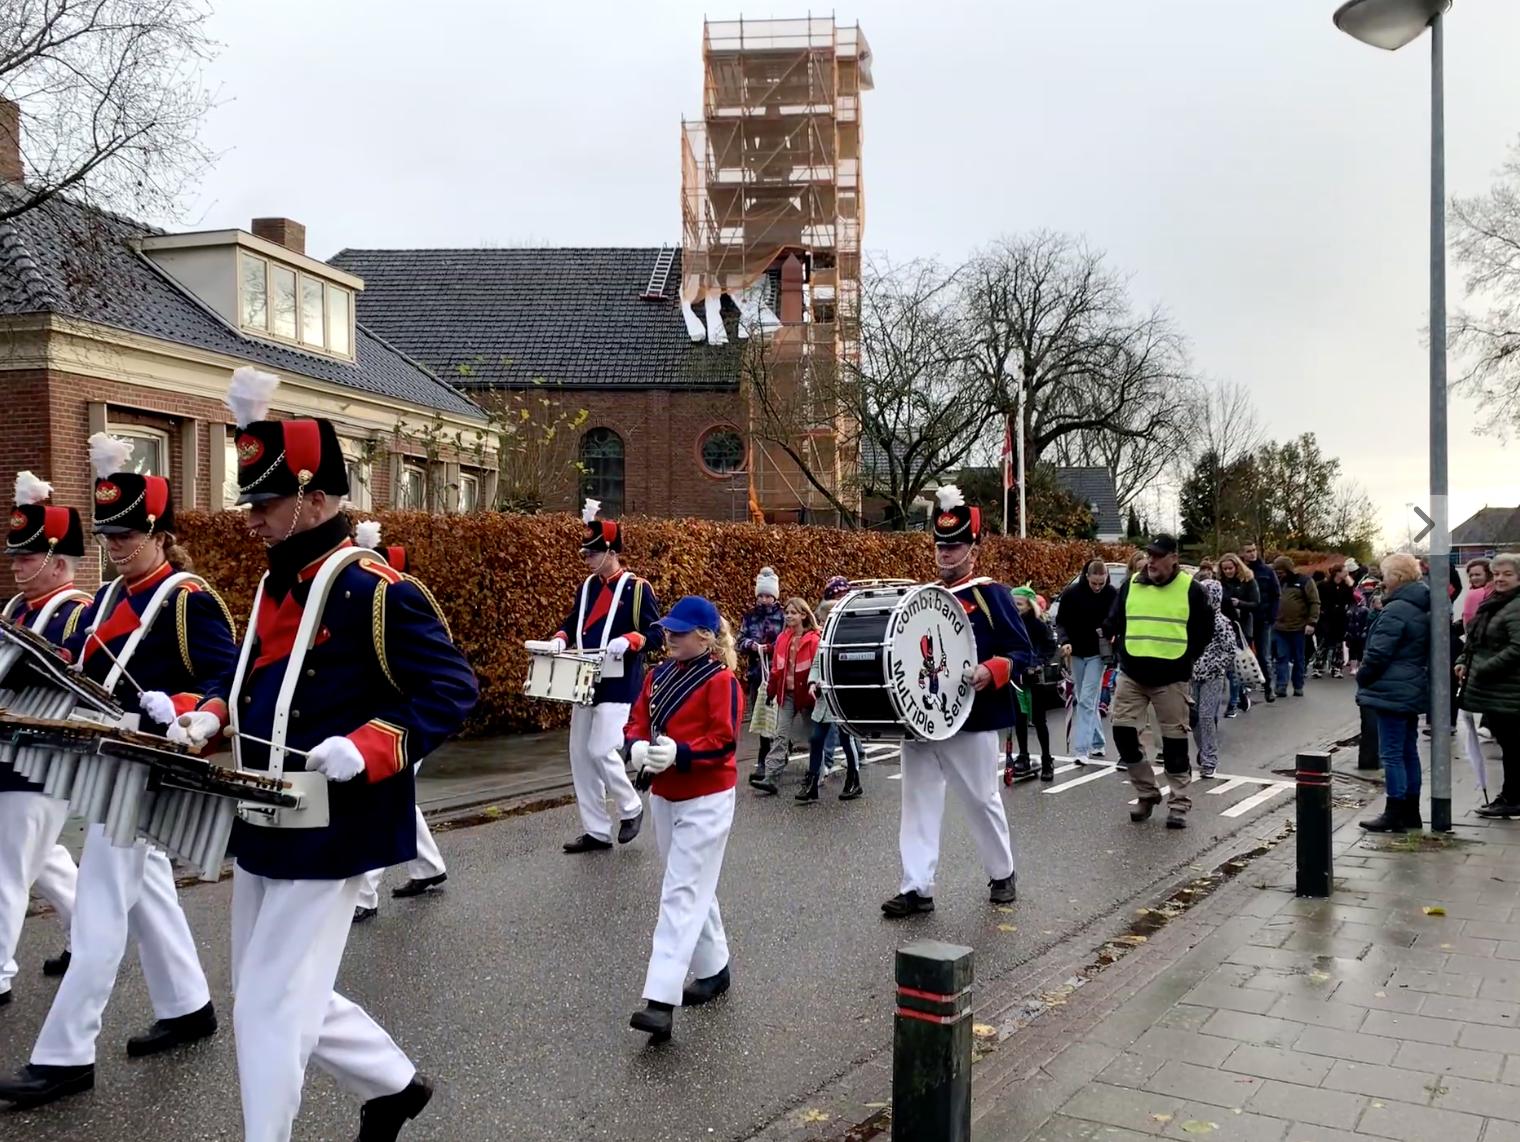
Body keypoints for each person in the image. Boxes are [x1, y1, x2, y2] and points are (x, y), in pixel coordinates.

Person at [167, 369, 479, 1142]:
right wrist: (208, 715)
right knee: (266, 987)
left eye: (265, 503)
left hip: (339, 824)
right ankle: (394, 1084)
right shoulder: (278, 585)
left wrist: (371, 746)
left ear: (314, 498)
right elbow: (254, 685)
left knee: (271, 1002)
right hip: (267, 811)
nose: (252, 518)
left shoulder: (377, 591)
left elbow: (451, 689)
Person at [0, 437, 236, 1110]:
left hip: (156, 766)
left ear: (161, 535)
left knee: (102, 904)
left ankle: (65, 1053)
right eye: (109, 535)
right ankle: (189, 1005)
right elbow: (76, 670)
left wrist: (185, 704)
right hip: (111, 758)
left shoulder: (189, 599)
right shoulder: (104, 602)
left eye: (129, 535)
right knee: (148, 890)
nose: (116, 546)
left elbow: (234, 680)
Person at [881, 486, 1033, 917]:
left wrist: (992, 670)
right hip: (922, 717)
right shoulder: (924, 598)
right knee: (918, 801)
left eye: (955, 547)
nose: (946, 554)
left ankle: (1002, 872)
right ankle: (917, 886)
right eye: (941, 547)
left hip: (973, 715)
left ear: (973, 550)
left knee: (981, 799)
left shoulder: (991, 595)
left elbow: (1022, 652)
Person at [623, 595, 744, 1042]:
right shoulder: (656, 676)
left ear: (706, 637)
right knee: (691, 884)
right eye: (668, 629)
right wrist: (636, 747)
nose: (669, 636)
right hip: (666, 796)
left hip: (707, 798)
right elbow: (637, 724)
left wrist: (682, 752)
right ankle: (714, 969)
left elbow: (725, 742)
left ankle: (660, 999)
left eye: (680, 630)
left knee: (679, 892)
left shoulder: (722, 682)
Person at [0, 472, 89, 1006]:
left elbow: (70, 681)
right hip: (11, 752)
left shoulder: (76, 611)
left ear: (58, 563)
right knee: (43, 857)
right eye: (14, 556)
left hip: (42, 759)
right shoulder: (17, 609)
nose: (15, 564)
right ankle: (89, 935)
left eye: (26, 557)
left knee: (7, 866)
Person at [547, 500, 663, 853]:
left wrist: (629, 639)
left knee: (602, 749)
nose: (586, 560)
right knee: (580, 755)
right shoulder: (587, 586)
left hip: (618, 681)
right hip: (584, 679)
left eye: (591, 554)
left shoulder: (638, 587)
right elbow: (574, 621)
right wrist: (560, 638)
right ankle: (596, 830)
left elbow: (656, 634)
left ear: (610, 551)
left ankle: (632, 807)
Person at [349, 525, 447, 923]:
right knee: (400, 799)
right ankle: (429, 866)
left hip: (405, 724)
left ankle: (363, 895)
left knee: (381, 804)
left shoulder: (406, 613)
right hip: (377, 721)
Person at [1103, 535, 1215, 829]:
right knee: (1123, 734)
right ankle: (1147, 793)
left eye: (1158, 555)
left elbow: (1204, 630)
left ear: (1173, 558)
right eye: (1149, 555)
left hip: (1171, 677)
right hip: (1132, 673)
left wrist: (1186, 661)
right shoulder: (1130, 586)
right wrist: (1117, 647)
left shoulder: (1191, 590)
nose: (1151, 560)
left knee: (1174, 742)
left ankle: (1178, 803)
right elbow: (1117, 622)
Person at [1357, 553, 1431, 834]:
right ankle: (1411, 810)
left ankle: (1395, 810)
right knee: (1408, 749)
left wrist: (1364, 677)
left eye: (1386, 575)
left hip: (1391, 687)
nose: (1382, 581)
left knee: (1391, 753)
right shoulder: (1418, 605)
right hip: (1410, 685)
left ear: (1397, 578)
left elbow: (1379, 652)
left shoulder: (1397, 609)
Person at [1459, 554, 1520, 817]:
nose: (1500, 578)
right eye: (1497, 574)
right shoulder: (1494, 602)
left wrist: (1483, 669)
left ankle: (1513, 799)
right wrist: (1464, 660)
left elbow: (1518, 647)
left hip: (1510, 690)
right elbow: (1475, 638)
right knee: (1510, 744)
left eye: (1507, 574)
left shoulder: (1516, 605)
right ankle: (1510, 796)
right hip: (1496, 691)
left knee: (1514, 747)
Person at [799, 577, 863, 803]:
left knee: (847, 739)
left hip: (843, 696)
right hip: (824, 698)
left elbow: (855, 665)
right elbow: (817, 663)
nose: (824, 625)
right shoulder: (823, 640)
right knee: (817, 739)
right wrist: (812, 682)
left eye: (828, 620)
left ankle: (853, 779)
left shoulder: (850, 639)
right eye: (823, 621)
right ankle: (812, 782)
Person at [1055, 559, 1118, 766]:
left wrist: (1109, 633)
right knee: (1083, 698)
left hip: (1098, 654)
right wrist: (1064, 641)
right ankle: (1098, 741)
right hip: (1076, 652)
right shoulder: (1072, 593)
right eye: (1095, 583)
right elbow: (1061, 621)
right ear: (1087, 577)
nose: (1099, 587)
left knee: (1087, 699)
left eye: (1102, 583)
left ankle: (1081, 749)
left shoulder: (1112, 594)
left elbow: (1118, 621)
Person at [753, 598, 818, 795]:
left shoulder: (814, 640)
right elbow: (776, 668)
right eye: (787, 612)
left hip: (808, 694)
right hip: (787, 693)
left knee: (813, 737)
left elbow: (817, 668)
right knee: (780, 734)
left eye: (794, 612)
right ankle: (771, 776)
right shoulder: (783, 638)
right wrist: (771, 691)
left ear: (804, 615)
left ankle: (818, 771)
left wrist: (814, 693)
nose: (789, 616)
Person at [737, 568, 784, 781]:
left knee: (779, 717)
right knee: (762, 717)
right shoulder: (749, 617)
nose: (763, 599)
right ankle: (764, 760)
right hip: (757, 675)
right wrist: (752, 646)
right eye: (761, 595)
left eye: (767, 595)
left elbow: (787, 640)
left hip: (778, 674)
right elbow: (739, 641)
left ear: (775, 595)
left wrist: (771, 648)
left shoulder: (783, 616)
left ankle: (778, 754)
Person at [1007, 585, 1058, 782]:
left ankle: (1047, 759)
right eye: (1013, 604)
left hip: (1034, 677)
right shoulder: (1010, 625)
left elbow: (1048, 646)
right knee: (1019, 718)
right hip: (1017, 677)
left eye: (1019, 604)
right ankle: (1023, 756)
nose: (1016, 607)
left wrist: (1037, 664)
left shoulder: (1038, 625)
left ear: (1029, 605)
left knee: (1039, 720)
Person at [1191, 580, 1237, 779]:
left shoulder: (1221, 622)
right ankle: (1204, 751)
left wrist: (1214, 666)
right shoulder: (1193, 620)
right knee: (1193, 717)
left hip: (1212, 676)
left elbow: (1230, 650)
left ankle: (1210, 759)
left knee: (1207, 716)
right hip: (1193, 674)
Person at [1217, 553, 1260, 717]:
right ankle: (1241, 692)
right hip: (1223, 627)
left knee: (1235, 667)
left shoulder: (1248, 582)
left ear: (1237, 567)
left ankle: (1233, 703)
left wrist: (1240, 603)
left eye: (1230, 568)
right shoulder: (1220, 583)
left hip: (1241, 627)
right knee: (1228, 669)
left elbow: (1256, 604)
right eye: (1224, 569)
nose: (1228, 571)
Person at [1272, 556, 1320, 698]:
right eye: (1276, 571)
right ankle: (1281, 686)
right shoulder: (1277, 583)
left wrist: (1311, 622)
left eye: (1280, 571)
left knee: (1299, 658)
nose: (1278, 574)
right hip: (1279, 627)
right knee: (1281, 658)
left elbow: (1314, 602)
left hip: (1299, 627)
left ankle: (1298, 686)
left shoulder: (1305, 581)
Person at [1240, 542, 1281, 703]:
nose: (1252, 554)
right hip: (1244, 618)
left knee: (1264, 656)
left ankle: (1268, 687)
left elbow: (1275, 594)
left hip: (1263, 618)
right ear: (1243, 554)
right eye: (1248, 551)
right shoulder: (1241, 571)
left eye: (1253, 550)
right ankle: (1244, 690)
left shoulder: (1267, 571)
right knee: (1243, 655)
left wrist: (1272, 616)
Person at [1314, 565, 1355, 679]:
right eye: (1344, 571)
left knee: (1338, 644)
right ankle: (1318, 667)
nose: (1347, 573)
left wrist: (1350, 610)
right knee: (1323, 642)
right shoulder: (1323, 585)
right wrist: (1320, 611)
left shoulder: (1346, 587)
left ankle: (1336, 667)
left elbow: (1352, 601)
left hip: (1340, 617)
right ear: (1337, 573)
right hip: (1325, 617)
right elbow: (1317, 600)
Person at [1462, 559, 1493, 630]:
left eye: (1477, 575)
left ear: (1489, 575)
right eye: (1471, 575)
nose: (1473, 578)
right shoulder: (1473, 592)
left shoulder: (1495, 594)